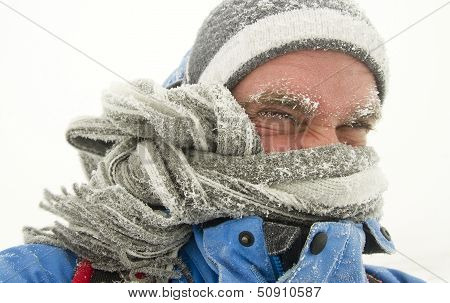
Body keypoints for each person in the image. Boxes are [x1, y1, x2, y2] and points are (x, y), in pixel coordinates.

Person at [0, 0, 425, 283]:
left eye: (354, 124)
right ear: (195, 119)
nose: (324, 149)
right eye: (279, 115)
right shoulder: (46, 279)